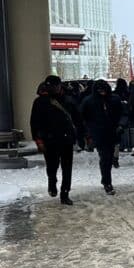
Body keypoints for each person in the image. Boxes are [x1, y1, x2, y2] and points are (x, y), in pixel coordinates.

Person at [30, 75, 82, 205]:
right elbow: (34, 122)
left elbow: (77, 119)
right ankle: (52, 182)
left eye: (54, 86)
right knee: (52, 166)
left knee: (67, 167)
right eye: (50, 86)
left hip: (66, 139)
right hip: (49, 140)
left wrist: (84, 134)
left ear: (60, 86)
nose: (53, 88)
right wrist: (38, 140)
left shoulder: (68, 100)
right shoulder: (40, 102)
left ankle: (65, 193)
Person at [79, 79, 123, 195]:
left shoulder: (114, 99)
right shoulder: (89, 101)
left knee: (108, 158)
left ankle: (106, 180)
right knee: (105, 157)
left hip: (112, 133)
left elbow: (122, 113)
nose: (102, 93)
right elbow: (82, 118)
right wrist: (88, 133)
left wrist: (121, 125)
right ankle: (107, 182)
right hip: (98, 134)